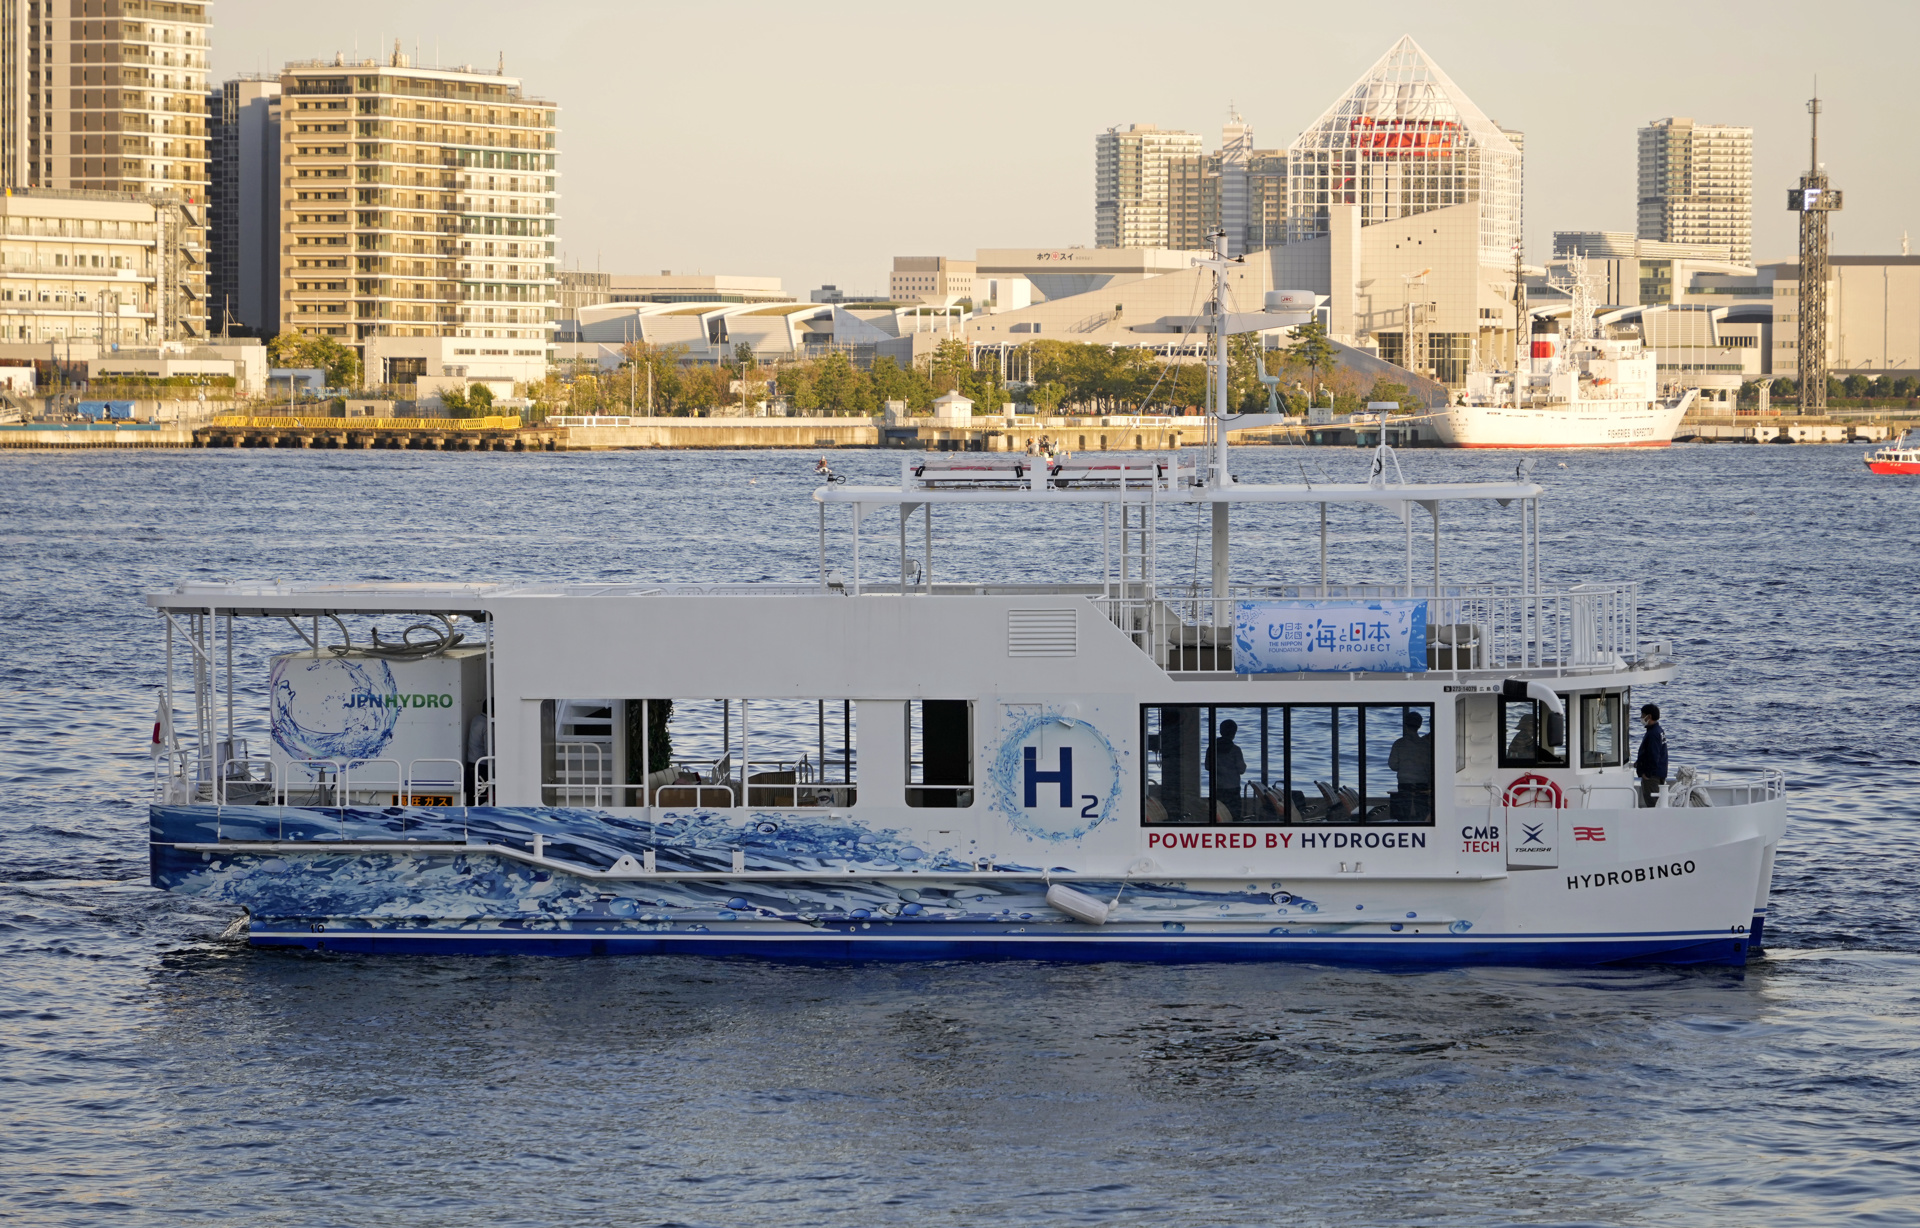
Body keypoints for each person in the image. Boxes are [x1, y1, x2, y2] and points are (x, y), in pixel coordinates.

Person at [1388, 710, 1434, 820]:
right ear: (1420, 725)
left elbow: (1393, 765)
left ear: (1405, 725)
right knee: (1421, 813)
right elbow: (1430, 766)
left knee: (1404, 815)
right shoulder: (1426, 745)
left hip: (1404, 784)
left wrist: (1405, 767)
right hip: (1423, 785)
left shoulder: (1399, 744)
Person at [1210, 718, 1246, 820]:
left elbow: (1208, 766)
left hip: (1217, 787)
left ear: (1221, 731)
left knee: (1220, 816)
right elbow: (1241, 769)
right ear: (1234, 733)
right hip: (1233, 789)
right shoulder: (1235, 750)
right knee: (1234, 817)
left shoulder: (1212, 748)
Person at [1634, 703, 1668, 808]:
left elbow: (1654, 756)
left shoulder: (1653, 734)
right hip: (1659, 773)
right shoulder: (1658, 730)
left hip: (1652, 777)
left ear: (1649, 716)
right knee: (1657, 803)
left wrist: (1647, 774)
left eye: (1642, 715)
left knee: (1653, 804)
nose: (1641, 717)